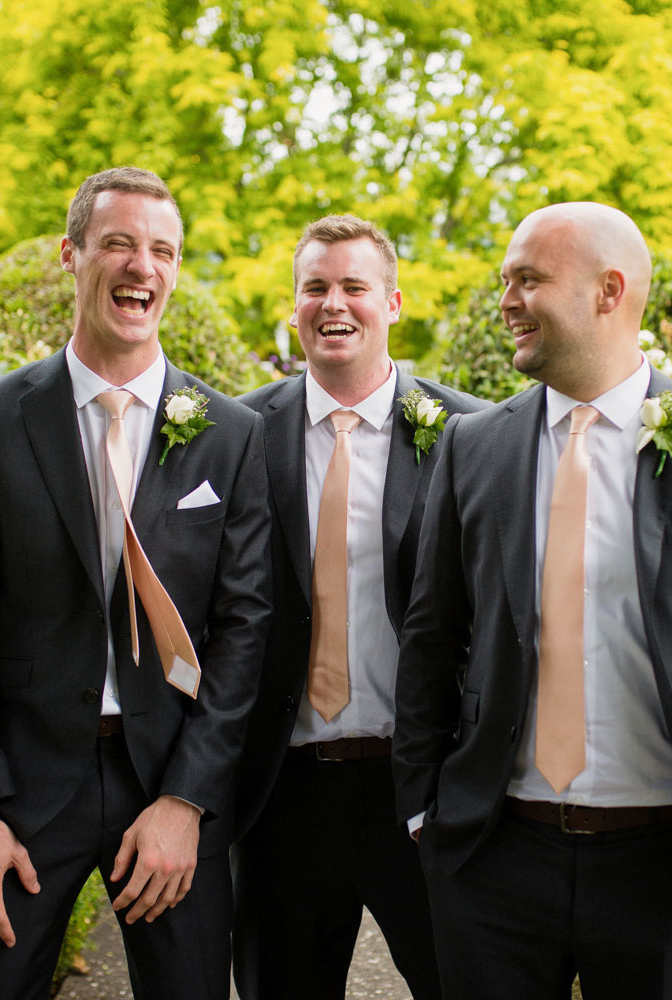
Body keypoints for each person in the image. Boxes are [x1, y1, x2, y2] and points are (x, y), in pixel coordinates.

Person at [393, 202, 672, 1000]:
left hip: (671, 864)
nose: (507, 301)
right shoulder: (471, 446)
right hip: (494, 854)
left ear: (608, 291)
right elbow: (430, 636)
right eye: (505, 281)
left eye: (528, 280)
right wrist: (425, 808)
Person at [0, 166, 272, 1000]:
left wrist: (188, 800)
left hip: (169, 782)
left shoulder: (231, 435)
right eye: (117, 242)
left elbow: (245, 629)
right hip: (23, 790)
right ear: (71, 254)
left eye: (162, 250)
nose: (140, 266)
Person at [231, 215, 486, 999]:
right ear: (294, 303)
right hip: (284, 793)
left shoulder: (471, 434)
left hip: (421, 783)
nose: (332, 303)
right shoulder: (238, 432)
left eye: (353, 287)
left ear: (394, 302)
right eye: (315, 287)